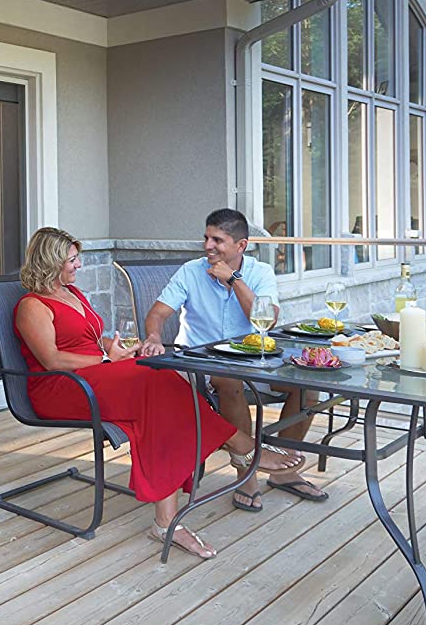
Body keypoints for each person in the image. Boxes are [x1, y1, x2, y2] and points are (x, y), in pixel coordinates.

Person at [14, 227, 300, 560]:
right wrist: (107, 359)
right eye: (72, 260)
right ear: (50, 261)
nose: (78, 265)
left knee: (161, 393)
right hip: (63, 388)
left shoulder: (72, 293)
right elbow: (51, 359)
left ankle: (167, 522)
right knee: (156, 384)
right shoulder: (32, 305)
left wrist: (120, 347)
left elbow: (91, 339)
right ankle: (241, 446)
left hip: (96, 375)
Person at [139, 208, 327, 511]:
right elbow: (158, 314)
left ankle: (284, 471)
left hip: (253, 361)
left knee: (307, 385)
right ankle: (246, 475)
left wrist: (234, 279)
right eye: (206, 238)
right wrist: (153, 337)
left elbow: (266, 318)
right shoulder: (191, 271)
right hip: (200, 364)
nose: (208, 246)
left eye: (217, 240)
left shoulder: (260, 272)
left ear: (241, 246)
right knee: (229, 381)